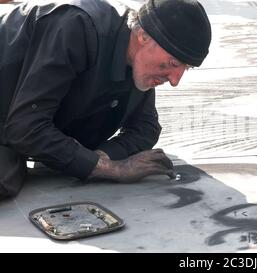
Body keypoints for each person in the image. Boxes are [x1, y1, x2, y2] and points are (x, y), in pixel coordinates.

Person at [0, 0, 212, 199]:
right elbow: (26, 127)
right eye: (173, 63)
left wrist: (101, 156)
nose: (175, 80)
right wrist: (113, 169)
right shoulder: (76, 27)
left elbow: (146, 128)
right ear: (144, 37)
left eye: (186, 67)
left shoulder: (138, 57)